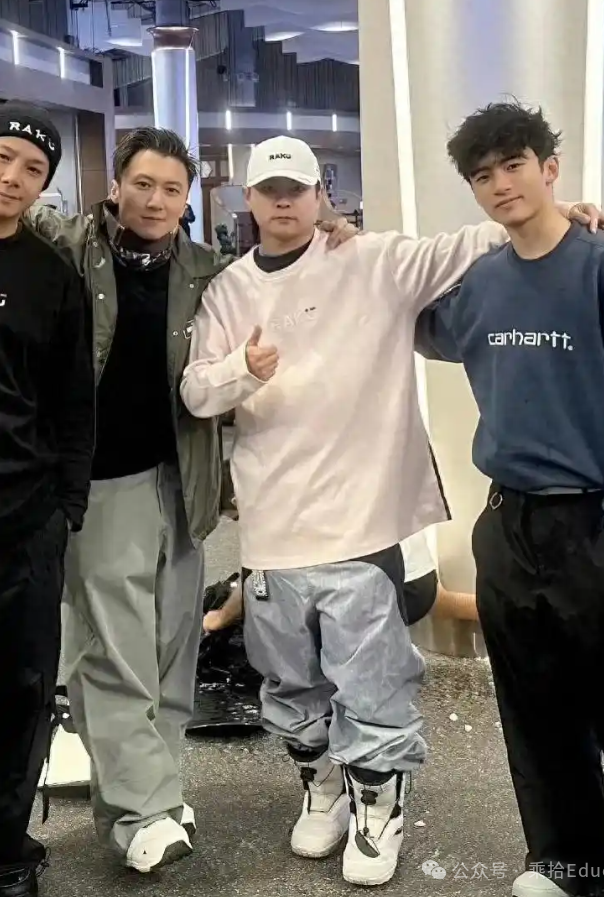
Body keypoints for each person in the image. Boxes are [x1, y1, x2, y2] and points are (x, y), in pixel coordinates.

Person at [180, 134, 604, 887]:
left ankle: (379, 804)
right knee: (289, 682)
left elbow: (463, 245)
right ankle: (321, 785)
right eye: (270, 191)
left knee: (371, 679)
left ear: (320, 196)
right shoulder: (227, 290)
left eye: (297, 190)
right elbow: (195, 391)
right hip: (273, 525)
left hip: (363, 519)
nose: (284, 202)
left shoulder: (371, 260)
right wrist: (241, 370)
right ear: (249, 200)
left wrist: (557, 212)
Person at [24, 127, 358, 875]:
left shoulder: (206, 270)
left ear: (188, 201)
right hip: (98, 485)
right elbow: (22, 210)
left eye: (172, 189)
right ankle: (139, 810)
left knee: (174, 651)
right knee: (113, 652)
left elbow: (286, 272)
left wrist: (333, 224)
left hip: (182, 481)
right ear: (115, 186)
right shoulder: (70, 248)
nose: (155, 200)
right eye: (142, 184)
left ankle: (158, 794)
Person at [415, 101, 604, 897]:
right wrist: (350, 255)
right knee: (535, 707)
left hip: (595, 522)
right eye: (482, 176)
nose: (500, 185)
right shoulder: (483, 284)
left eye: (514, 165)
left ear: (550, 167)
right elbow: (412, 319)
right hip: (508, 523)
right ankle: (570, 863)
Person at [0, 101, 94, 897]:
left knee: (23, 687)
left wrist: (67, 507)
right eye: (2, 159)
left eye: (33, 170)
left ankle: (7, 848)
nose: (13, 179)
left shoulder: (51, 275)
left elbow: (71, 403)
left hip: (26, 516)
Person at [203, 529, 479, 633]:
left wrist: (220, 617)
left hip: (387, 587)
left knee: (275, 595)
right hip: (418, 579)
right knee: (441, 603)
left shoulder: (271, 507)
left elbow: (257, 578)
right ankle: (507, 616)